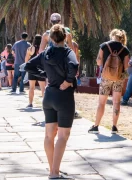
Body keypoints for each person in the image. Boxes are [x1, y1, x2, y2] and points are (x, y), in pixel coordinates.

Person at [25, 24, 78, 180]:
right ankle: (55, 172)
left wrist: (45, 74)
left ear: (51, 38)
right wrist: (68, 81)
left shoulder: (46, 53)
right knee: (63, 135)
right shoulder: (68, 52)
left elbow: (28, 66)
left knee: (49, 135)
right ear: (65, 37)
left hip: (48, 96)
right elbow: (73, 66)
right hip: (64, 96)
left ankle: (52, 171)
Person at [88, 29, 130, 134]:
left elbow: (98, 62)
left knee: (101, 102)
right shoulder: (125, 49)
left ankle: (96, 126)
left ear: (112, 35)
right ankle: (114, 127)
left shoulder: (104, 46)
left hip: (106, 77)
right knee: (116, 102)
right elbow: (126, 66)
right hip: (119, 78)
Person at [25, 34, 46, 108]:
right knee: (43, 88)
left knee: (31, 87)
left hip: (32, 69)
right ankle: (45, 104)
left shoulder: (30, 49)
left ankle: (30, 103)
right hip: (41, 69)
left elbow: (26, 60)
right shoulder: (43, 49)